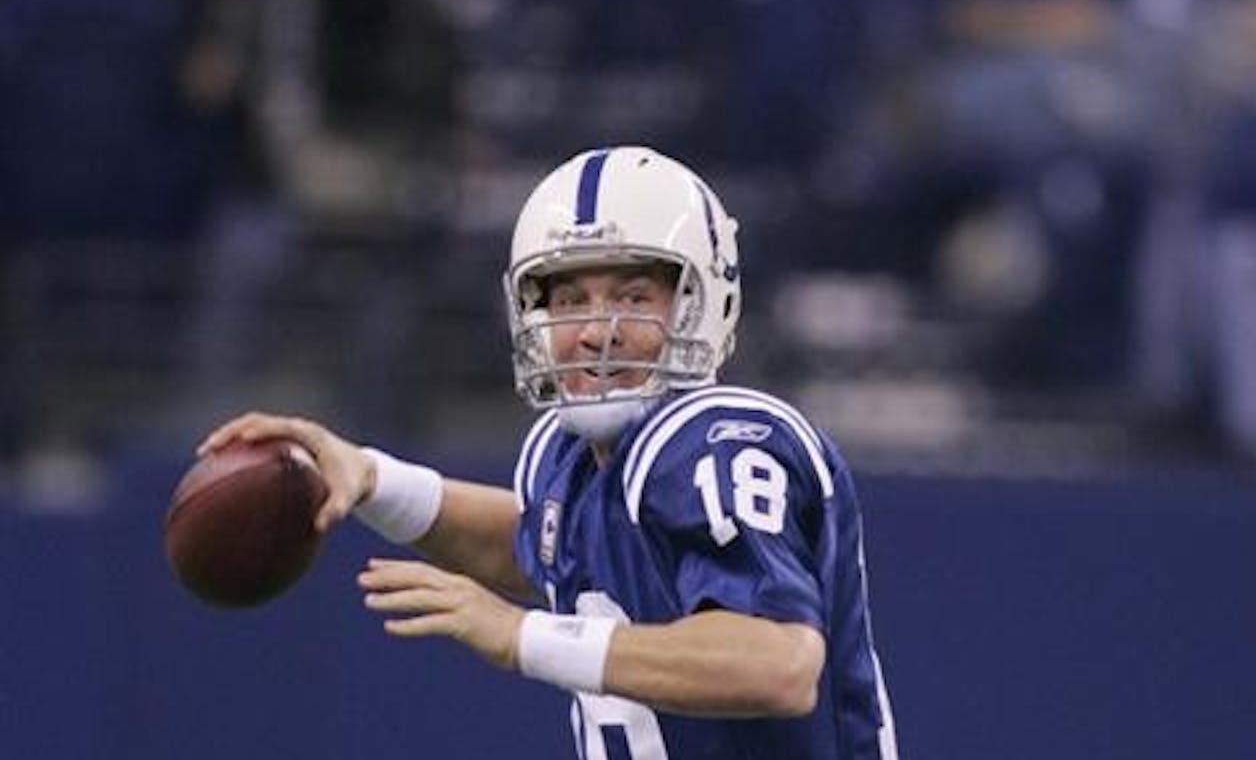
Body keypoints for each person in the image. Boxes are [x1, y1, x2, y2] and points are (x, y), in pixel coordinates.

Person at [197, 146, 899, 759]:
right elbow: (547, 550)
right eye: (569, 301)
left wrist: (523, 637)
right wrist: (374, 478)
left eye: (632, 296)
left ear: (704, 302)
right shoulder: (564, 457)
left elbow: (776, 664)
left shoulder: (714, 441)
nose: (597, 331)